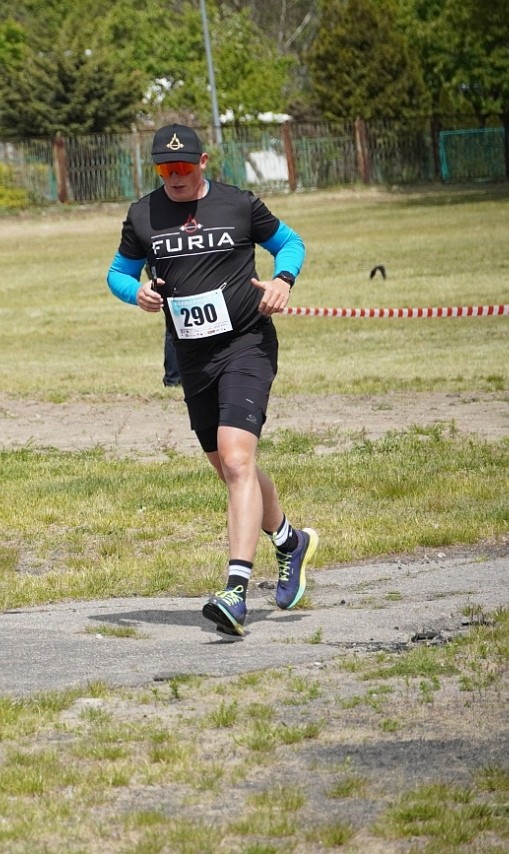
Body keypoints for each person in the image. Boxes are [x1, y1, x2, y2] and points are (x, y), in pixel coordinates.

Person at [105, 124, 317, 637]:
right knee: (229, 467)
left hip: (246, 344)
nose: (174, 177)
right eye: (165, 169)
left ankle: (235, 591)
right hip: (192, 357)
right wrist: (135, 293)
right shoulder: (143, 214)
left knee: (239, 460)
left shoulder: (238, 204)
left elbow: (290, 243)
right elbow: (117, 273)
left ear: (203, 161)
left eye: (182, 167)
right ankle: (290, 542)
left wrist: (283, 279)